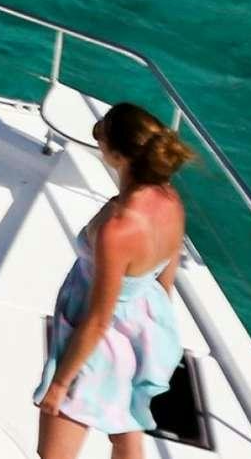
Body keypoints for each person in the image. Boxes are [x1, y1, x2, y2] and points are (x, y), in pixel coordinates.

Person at [34, 102, 194, 459]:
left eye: (103, 134)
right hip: (141, 325)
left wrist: (60, 384)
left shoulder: (118, 228)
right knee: (125, 429)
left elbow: (98, 318)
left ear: (119, 156)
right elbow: (168, 271)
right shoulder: (171, 200)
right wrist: (153, 325)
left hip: (99, 344)